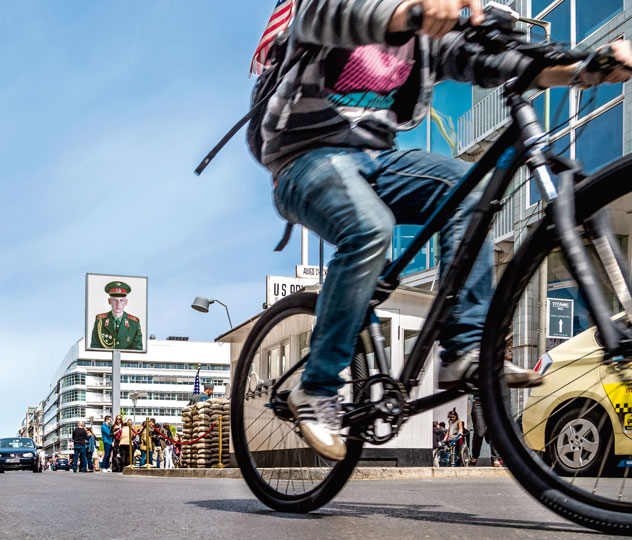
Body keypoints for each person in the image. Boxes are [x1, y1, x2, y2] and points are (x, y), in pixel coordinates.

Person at [258, 0, 632, 461]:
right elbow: (335, 15)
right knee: (371, 230)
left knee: (465, 190)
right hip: (303, 159)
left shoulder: (428, 40)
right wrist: (411, 11)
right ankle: (315, 389)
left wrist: (586, 67)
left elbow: (495, 62)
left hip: (377, 158)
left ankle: (465, 349)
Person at [90, 281, 143, 350]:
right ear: (109, 301)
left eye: (121, 300)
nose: (118, 304)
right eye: (115, 300)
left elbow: (137, 350)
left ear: (126, 302)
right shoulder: (100, 320)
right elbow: (95, 347)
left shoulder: (134, 322)